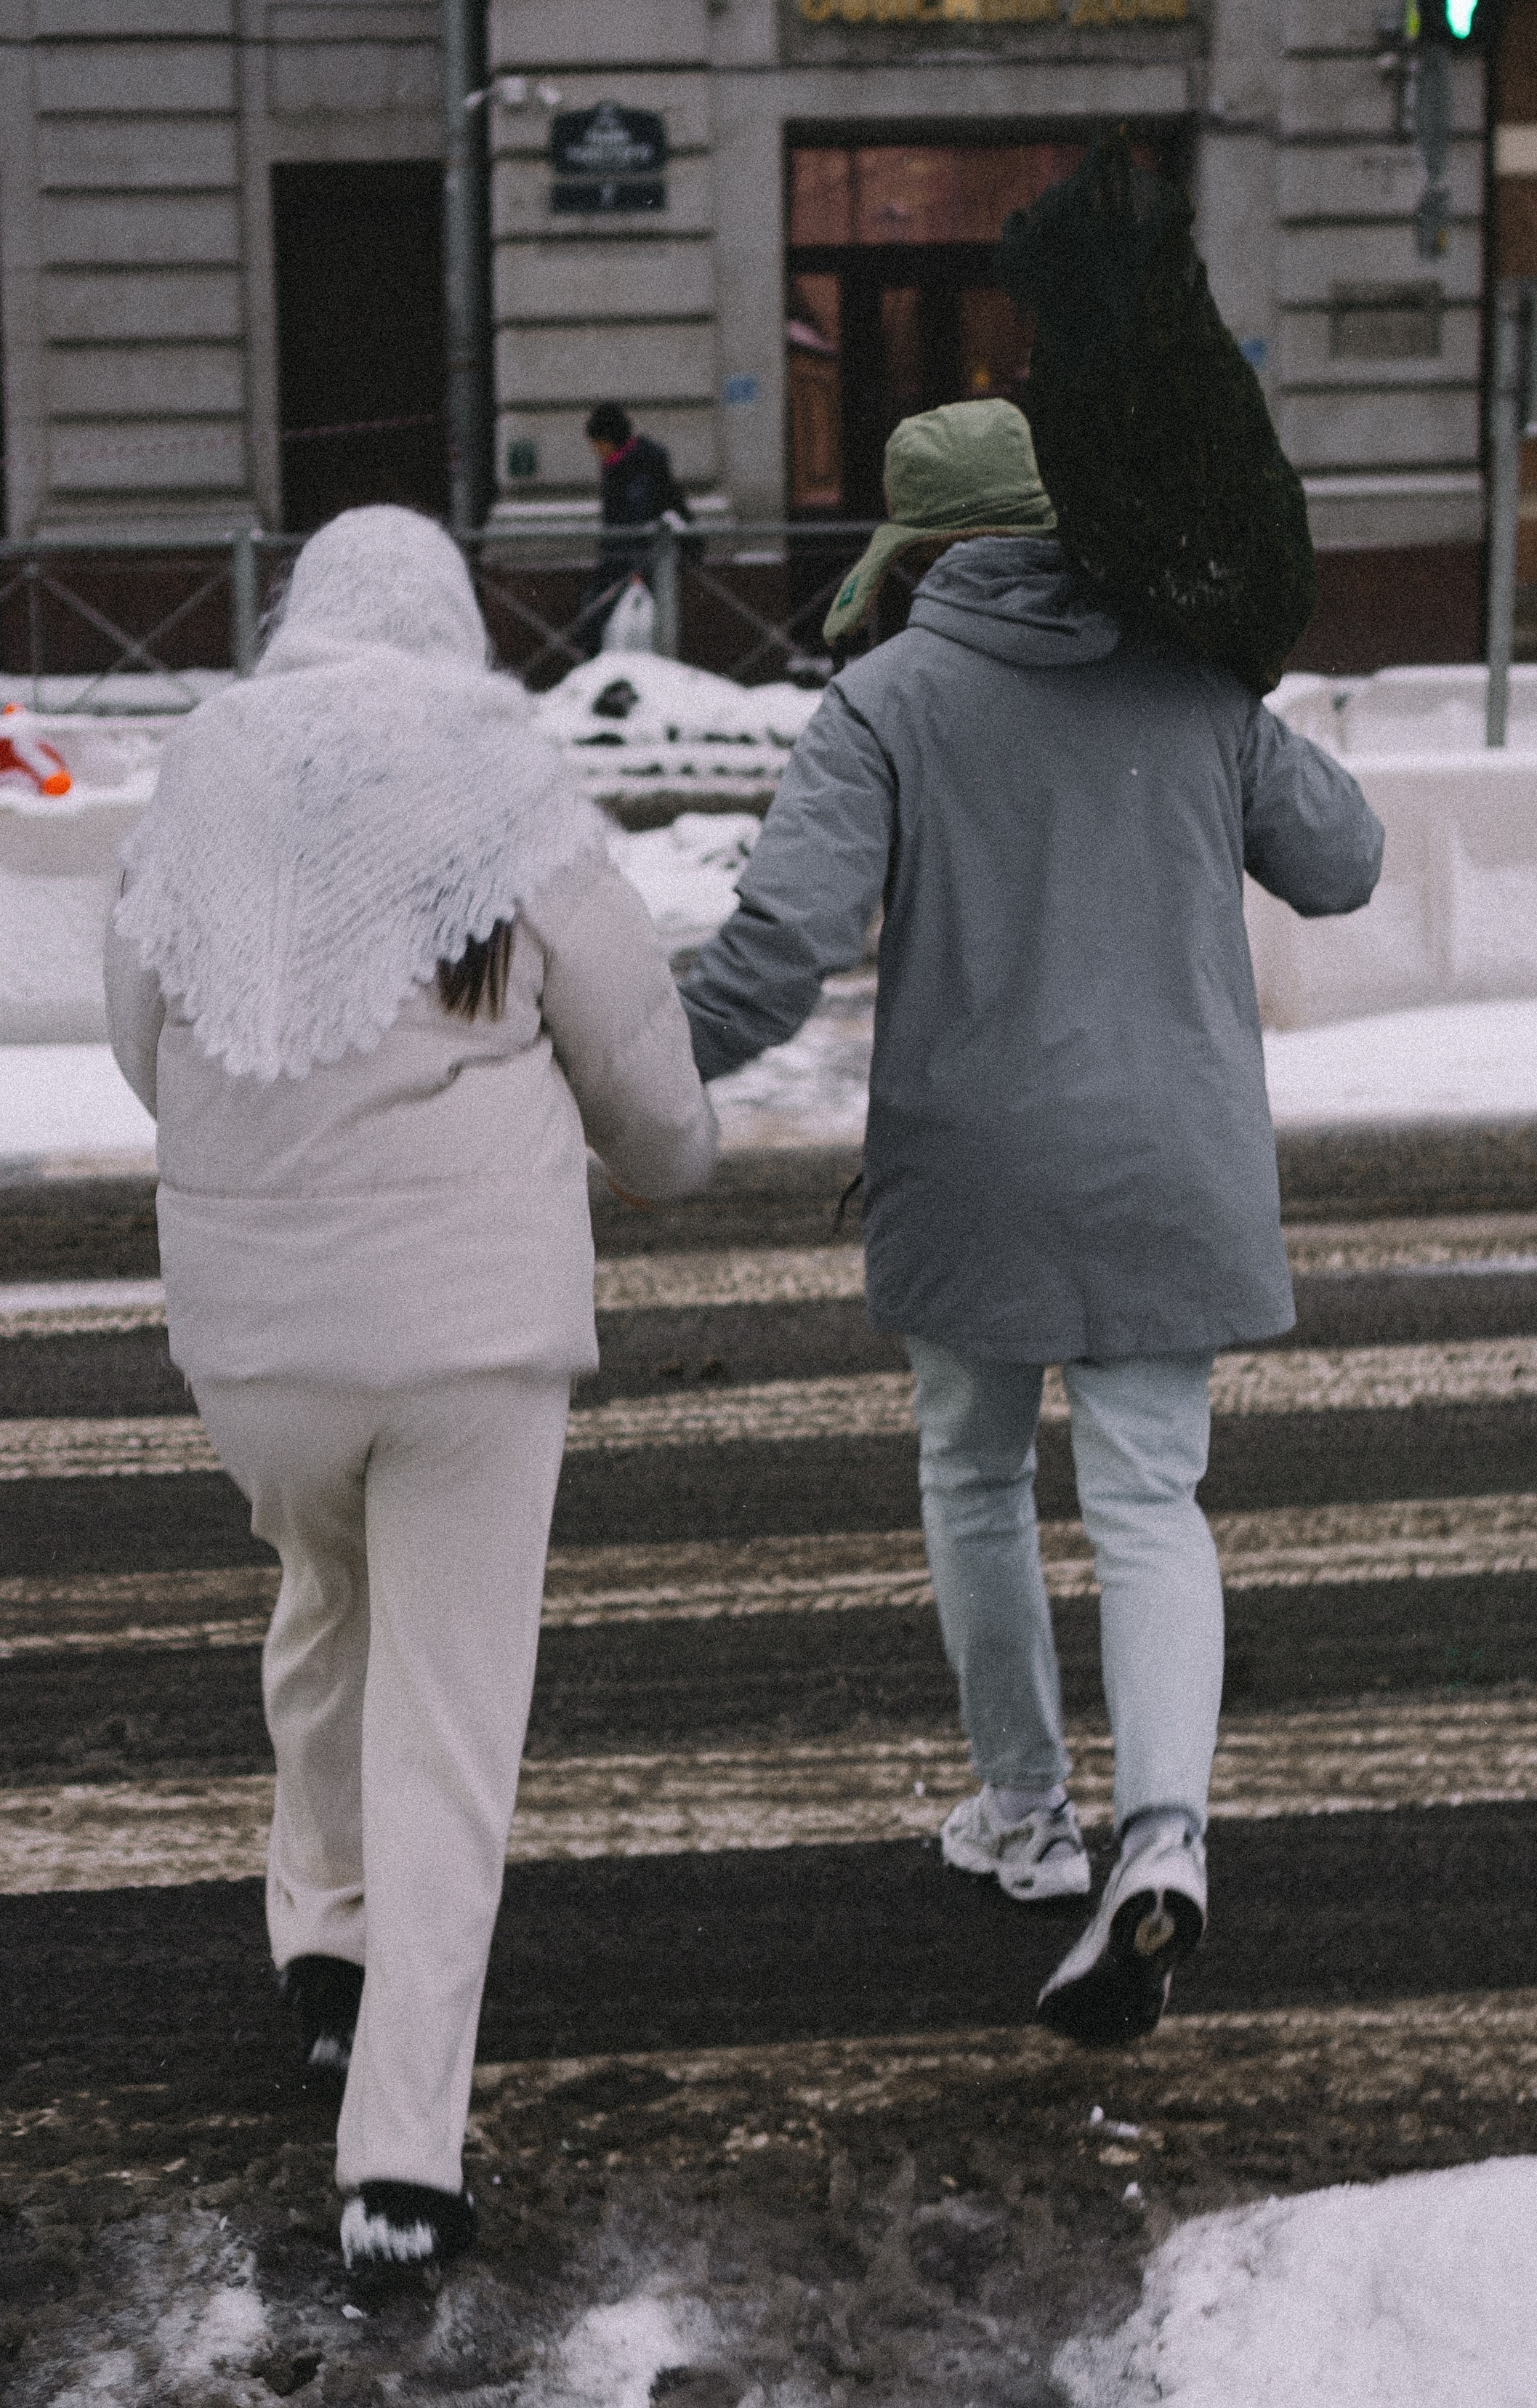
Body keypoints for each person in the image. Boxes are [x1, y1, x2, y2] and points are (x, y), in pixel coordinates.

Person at [677, 400, 1383, 2047]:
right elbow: (1340, 863)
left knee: (975, 1473)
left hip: (973, 1158)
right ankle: (1161, 1832)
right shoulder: (1190, 676)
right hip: (1168, 1161)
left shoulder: (887, 700)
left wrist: (631, 1073)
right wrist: (1228, 683)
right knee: (1149, 1496)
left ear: (924, 549)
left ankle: (1023, 1812)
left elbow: (778, 947)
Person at [105, 505, 717, 2270]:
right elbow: (648, 1096)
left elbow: (147, 1038)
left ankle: (323, 1938)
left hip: (256, 1336)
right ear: (448, 624)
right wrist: (676, 1145)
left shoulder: (209, 775)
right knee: (448, 1720)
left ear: (301, 616)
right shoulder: (506, 795)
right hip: (467, 1335)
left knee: (323, 1595)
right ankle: (399, 2159)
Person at [582, 400, 689, 656]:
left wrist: (637, 566)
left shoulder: (640, 465)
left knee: (606, 615)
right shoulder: (619, 463)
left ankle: (606, 671)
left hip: (639, 560)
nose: (595, 449)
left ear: (611, 438)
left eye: (598, 442)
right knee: (601, 615)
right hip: (623, 557)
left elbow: (640, 518)